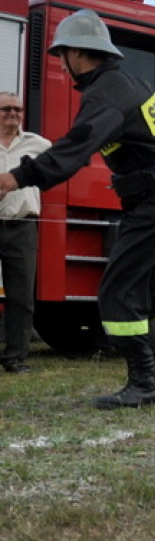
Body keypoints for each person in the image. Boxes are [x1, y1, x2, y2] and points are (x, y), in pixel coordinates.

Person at [0, 10, 155, 407]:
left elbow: (77, 146)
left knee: (117, 291)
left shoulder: (106, 92)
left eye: (63, 54)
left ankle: (144, 383)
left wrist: (15, 178)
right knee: (150, 293)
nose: (62, 63)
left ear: (78, 53)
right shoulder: (132, 83)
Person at [0, 93, 49, 374]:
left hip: (23, 226)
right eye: (6, 108)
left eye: (17, 109)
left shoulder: (37, 144)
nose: (13, 114)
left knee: (21, 296)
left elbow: (60, 165)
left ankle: (16, 357)